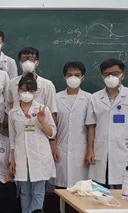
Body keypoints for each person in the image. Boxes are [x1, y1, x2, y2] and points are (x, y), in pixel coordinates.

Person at [85, 59, 128, 188]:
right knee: (99, 197)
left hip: (122, 154)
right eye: (107, 74)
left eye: (116, 73)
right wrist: (90, 150)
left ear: (123, 75)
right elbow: (91, 126)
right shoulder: (95, 98)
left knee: (123, 198)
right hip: (100, 154)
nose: (111, 77)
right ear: (102, 77)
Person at [8, 73, 56, 213]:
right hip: (21, 156)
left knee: (38, 192)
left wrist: (42, 121)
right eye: (23, 90)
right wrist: (13, 160)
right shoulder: (13, 112)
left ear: (35, 92)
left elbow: (52, 133)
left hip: (39, 156)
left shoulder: (42, 109)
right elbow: (12, 138)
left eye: (30, 90)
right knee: (24, 192)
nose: (26, 93)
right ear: (18, 91)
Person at [52, 61, 91, 189]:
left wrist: (90, 150)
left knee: (81, 189)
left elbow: (91, 127)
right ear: (64, 77)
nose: (73, 77)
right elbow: (53, 126)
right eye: (70, 75)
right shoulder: (56, 98)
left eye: (77, 74)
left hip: (81, 150)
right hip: (61, 148)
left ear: (82, 77)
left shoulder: (90, 99)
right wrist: (53, 146)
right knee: (61, 188)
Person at [6, 47, 57, 118]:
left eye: (32, 59)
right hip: (19, 125)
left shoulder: (47, 85)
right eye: (24, 59)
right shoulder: (12, 83)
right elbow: (10, 103)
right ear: (20, 63)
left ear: (37, 63)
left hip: (40, 126)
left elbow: (52, 112)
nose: (28, 62)